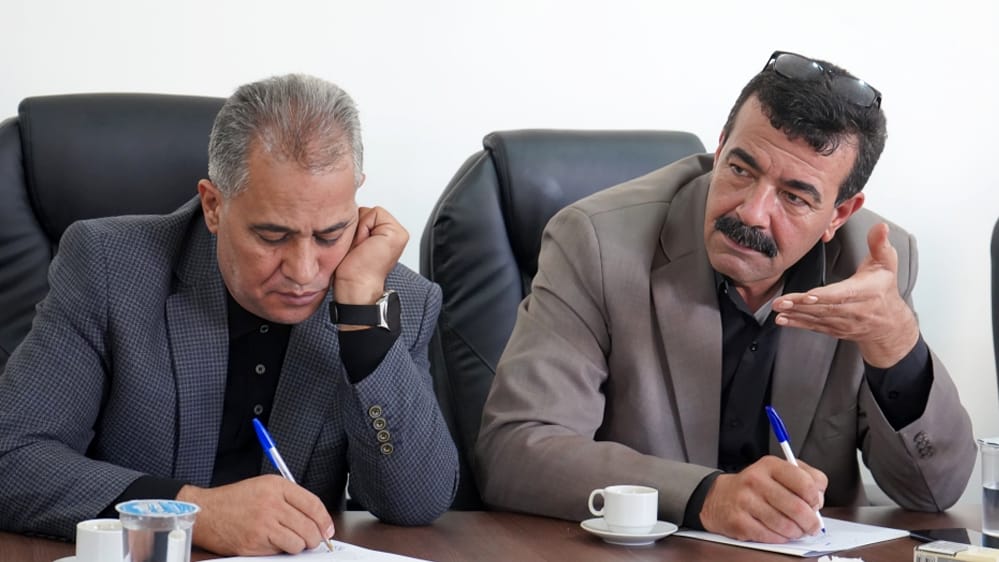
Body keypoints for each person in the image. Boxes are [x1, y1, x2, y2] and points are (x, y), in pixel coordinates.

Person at [475, 50, 976, 543]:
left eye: (794, 197)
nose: (752, 212)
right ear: (719, 150)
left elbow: (934, 492)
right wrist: (704, 496)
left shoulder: (871, 265)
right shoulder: (597, 241)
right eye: (740, 170)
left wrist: (896, 343)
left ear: (839, 214)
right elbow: (515, 452)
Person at [0, 74, 458, 555]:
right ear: (214, 205)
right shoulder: (109, 267)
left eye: (330, 235)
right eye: (273, 236)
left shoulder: (389, 298)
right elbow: (11, 457)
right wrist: (190, 511)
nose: (304, 271)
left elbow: (416, 503)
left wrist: (362, 319)